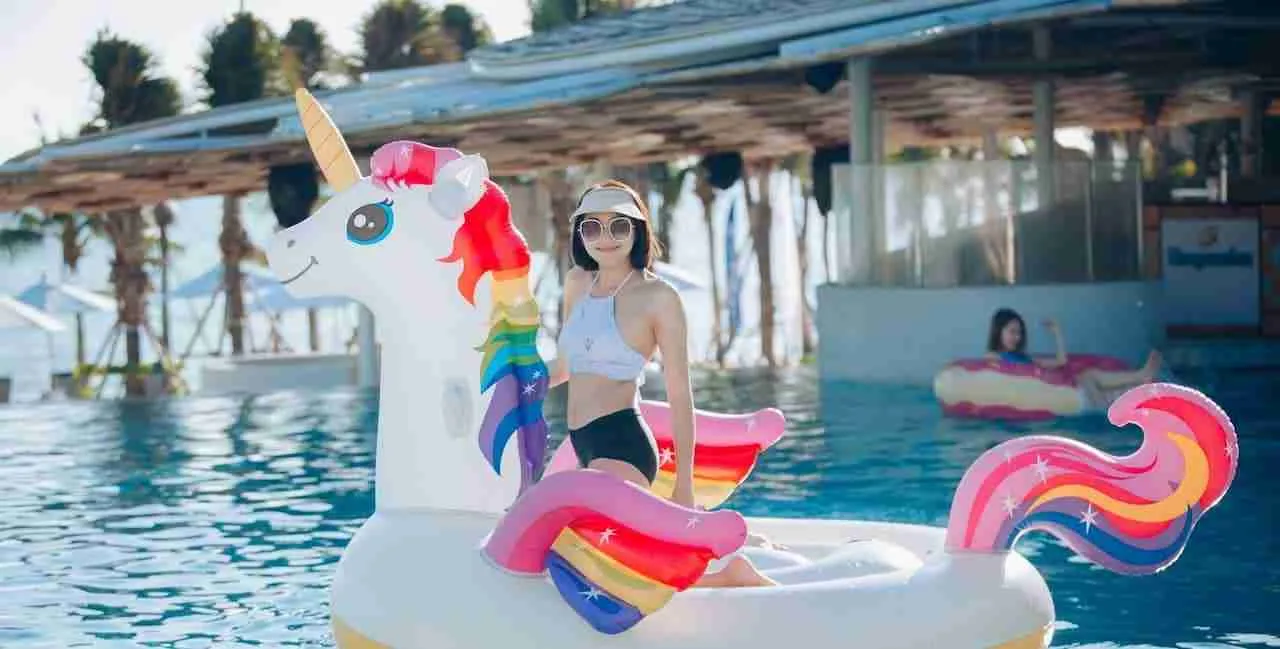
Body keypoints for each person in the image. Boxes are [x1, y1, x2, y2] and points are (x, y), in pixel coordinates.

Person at [547, 180, 775, 588]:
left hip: (621, 443)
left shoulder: (658, 297)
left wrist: (684, 487)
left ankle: (728, 575)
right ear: (580, 233)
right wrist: (507, 385)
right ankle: (716, 551)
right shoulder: (576, 284)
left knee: (609, 561)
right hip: (582, 441)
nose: (606, 237)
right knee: (598, 546)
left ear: (637, 230)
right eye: (592, 227)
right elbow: (564, 367)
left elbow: (679, 395)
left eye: (619, 225)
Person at [985, 307, 1163, 407]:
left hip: (1059, 389)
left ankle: (1141, 379)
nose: (1017, 337)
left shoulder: (1025, 358)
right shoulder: (995, 357)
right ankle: (1140, 377)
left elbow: (1061, 361)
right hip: (1057, 394)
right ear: (998, 331)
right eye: (1012, 332)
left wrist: (1057, 333)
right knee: (1089, 377)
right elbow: (997, 369)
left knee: (1092, 376)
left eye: (1019, 333)